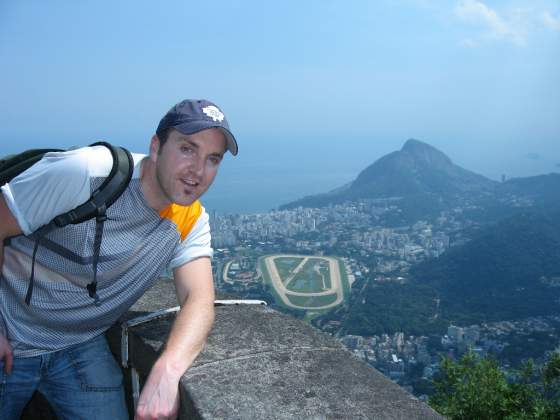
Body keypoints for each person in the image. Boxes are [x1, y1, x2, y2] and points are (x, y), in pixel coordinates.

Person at [0, 99, 238, 419]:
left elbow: (199, 298)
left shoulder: (190, 220)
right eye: (187, 149)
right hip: (9, 328)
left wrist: (167, 370)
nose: (198, 170)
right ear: (156, 147)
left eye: (212, 159)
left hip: (78, 344)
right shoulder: (87, 173)